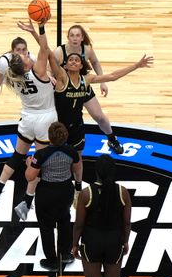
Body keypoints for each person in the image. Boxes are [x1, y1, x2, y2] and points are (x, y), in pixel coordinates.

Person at [46, 43, 153, 200]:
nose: (74, 61)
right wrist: (39, 30)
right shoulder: (62, 76)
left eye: (77, 60)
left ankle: (77, 189)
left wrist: (136, 65)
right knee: (55, 157)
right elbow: (48, 53)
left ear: (82, 65)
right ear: (66, 65)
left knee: (77, 158)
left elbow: (112, 76)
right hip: (59, 127)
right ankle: (51, 185)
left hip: (76, 126)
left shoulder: (86, 80)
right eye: (71, 60)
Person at [0, 18, 57, 221]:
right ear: (25, 65)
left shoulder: (12, 77)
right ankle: (26, 202)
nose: (26, 55)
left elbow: (5, 64)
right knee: (38, 162)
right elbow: (45, 48)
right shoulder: (39, 72)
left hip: (27, 118)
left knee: (17, 156)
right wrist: (39, 28)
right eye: (24, 55)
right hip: (45, 119)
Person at [71, 155, 132, 277]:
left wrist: (74, 244)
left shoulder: (86, 193)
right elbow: (127, 223)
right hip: (114, 241)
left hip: (92, 242)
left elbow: (79, 225)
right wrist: (125, 241)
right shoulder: (122, 192)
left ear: (96, 172)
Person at [25, 122, 82, 271]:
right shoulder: (72, 152)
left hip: (46, 193)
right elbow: (78, 169)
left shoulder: (41, 154)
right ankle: (65, 255)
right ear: (65, 136)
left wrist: (29, 164)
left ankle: (51, 260)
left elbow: (30, 177)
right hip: (65, 191)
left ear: (49, 137)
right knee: (64, 221)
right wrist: (78, 186)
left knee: (46, 226)